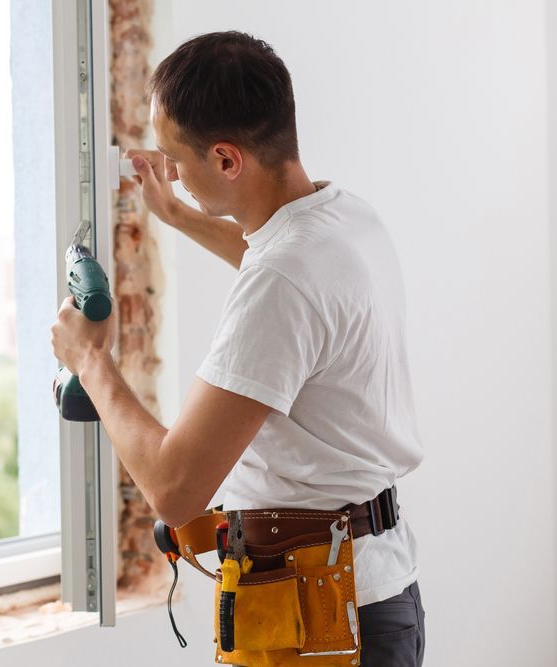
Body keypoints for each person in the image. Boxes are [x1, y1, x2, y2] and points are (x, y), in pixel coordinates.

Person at [50, 31, 426, 666]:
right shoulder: (345, 219)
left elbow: (175, 489)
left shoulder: (283, 280)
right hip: (371, 595)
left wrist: (89, 360)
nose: (168, 170)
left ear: (226, 160)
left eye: (175, 158)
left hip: (322, 622)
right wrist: (176, 214)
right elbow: (284, 275)